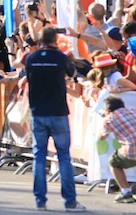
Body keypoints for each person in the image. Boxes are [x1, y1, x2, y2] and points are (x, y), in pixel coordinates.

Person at [24, 27, 84, 212]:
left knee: (39, 157)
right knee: (64, 157)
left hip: (38, 112)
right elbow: (74, 75)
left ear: (40, 41)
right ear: (55, 41)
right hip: (58, 112)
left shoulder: (31, 58)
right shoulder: (61, 58)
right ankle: (70, 202)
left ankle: (40, 200)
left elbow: (28, 78)